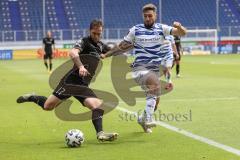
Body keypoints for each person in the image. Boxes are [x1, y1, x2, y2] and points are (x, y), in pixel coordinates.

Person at [16, 19, 118, 142]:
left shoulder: (101, 46)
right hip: (70, 82)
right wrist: (80, 66)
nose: (97, 36)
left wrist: (132, 44)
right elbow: (73, 53)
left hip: (82, 86)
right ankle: (32, 97)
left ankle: (100, 133)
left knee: (97, 106)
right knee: (48, 106)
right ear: (90, 31)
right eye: (94, 33)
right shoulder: (84, 42)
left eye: (99, 33)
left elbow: (116, 50)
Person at [101, 3, 187, 133]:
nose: (147, 18)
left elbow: (182, 33)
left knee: (155, 102)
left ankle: (142, 118)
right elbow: (122, 46)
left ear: (155, 16)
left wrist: (179, 27)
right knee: (154, 83)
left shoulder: (162, 29)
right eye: (145, 16)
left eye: (150, 16)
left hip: (153, 70)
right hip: (139, 68)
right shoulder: (136, 30)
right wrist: (106, 54)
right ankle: (148, 118)